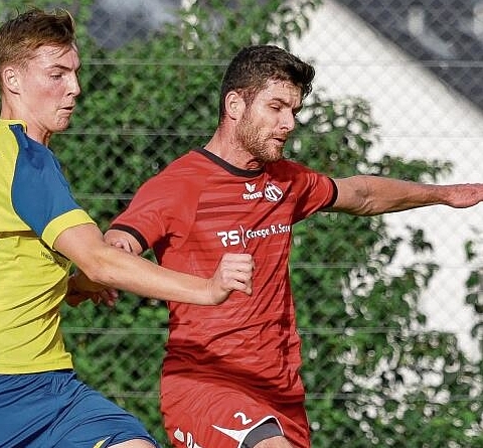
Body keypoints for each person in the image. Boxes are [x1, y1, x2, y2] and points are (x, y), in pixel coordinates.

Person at [104, 44, 483, 448]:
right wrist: (105, 268)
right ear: (235, 105)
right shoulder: (180, 186)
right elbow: (118, 244)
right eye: (276, 107)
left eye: (294, 112)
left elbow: (363, 195)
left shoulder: (285, 181)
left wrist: (444, 194)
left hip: (281, 394)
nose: (288, 123)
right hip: (207, 385)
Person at [0, 8, 254, 448]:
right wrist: (208, 289)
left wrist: (70, 286)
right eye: (57, 73)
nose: (74, 88)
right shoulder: (28, 161)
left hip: (52, 390)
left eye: (75, 72)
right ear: (13, 80)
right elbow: (98, 257)